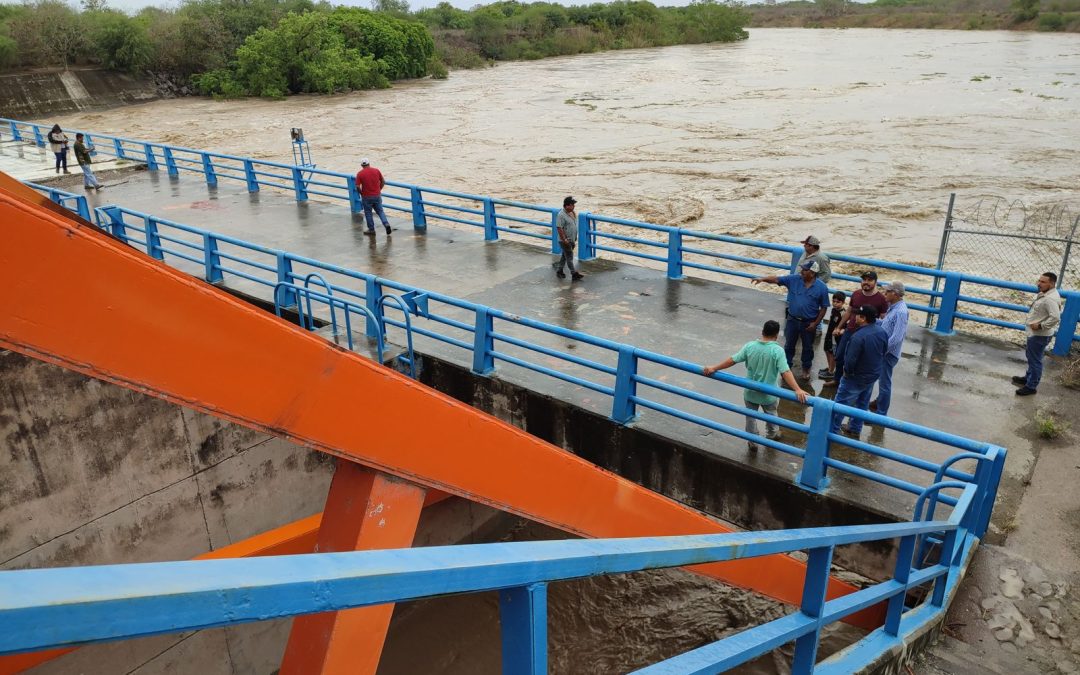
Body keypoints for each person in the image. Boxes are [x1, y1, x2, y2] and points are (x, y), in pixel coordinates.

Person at [703, 320, 808, 451]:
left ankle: (752, 441)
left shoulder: (750, 346)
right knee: (771, 415)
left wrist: (714, 367)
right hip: (769, 394)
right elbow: (785, 372)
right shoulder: (777, 351)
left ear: (762, 332)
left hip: (750, 392)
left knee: (751, 417)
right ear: (776, 335)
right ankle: (772, 434)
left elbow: (732, 360)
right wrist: (797, 389)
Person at [751, 260, 829, 379]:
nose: (801, 271)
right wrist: (762, 279)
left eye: (805, 270)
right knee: (789, 346)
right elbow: (777, 279)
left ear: (812, 273)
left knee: (808, 347)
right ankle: (786, 368)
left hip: (808, 323)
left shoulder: (822, 288)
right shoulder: (793, 279)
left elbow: (824, 308)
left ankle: (806, 369)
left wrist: (815, 323)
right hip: (792, 320)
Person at [831, 305, 888, 437]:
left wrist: (847, 372)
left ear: (863, 318)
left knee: (840, 406)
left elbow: (850, 360)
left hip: (855, 377)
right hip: (871, 376)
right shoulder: (882, 332)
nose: (854, 316)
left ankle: (832, 430)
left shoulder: (858, 336)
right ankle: (855, 428)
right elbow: (884, 351)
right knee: (862, 403)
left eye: (857, 315)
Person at [823, 270, 889, 386]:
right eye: (864, 280)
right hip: (850, 330)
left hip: (866, 335)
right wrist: (839, 327)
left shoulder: (881, 299)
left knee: (859, 360)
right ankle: (837, 380)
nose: (866, 282)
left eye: (869, 280)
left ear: (875, 282)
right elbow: (849, 311)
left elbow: (884, 320)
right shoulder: (856, 294)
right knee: (839, 355)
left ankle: (851, 383)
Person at [1014, 272, 1062, 396]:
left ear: (1051, 283)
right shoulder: (1047, 294)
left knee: (1035, 361)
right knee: (1032, 357)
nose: (1039, 284)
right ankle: (1028, 378)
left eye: (1043, 282)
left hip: (1039, 335)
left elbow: (1055, 317)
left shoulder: (1050, 298)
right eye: (1039, 281)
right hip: (1036, 334)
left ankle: (1031, 386)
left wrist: (1040, 326)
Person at [869, 282, 909, 415]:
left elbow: (897, 337)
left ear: (895, 294)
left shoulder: (901, 312)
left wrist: (882, 350)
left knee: (884, 384)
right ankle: (878, 403)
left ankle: (881, 413)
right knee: (882, 381)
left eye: (888, 292)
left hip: (888, 354)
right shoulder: (893, 307)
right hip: (885, 351)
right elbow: (887, 324)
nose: (885, 293)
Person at [355, 158, 391, 237]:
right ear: (369, 164)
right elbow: (383, 181)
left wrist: (361, 193)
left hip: (366, 197)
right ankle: (386, 224)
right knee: (380, 211)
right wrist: (379, 189)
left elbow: (357, 186)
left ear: (362, 165)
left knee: (368, 213)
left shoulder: (360, 174)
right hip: (377, 195)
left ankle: (371, 230)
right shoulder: (376, 171)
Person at [818, 291, 847, 381]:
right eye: (833, 301)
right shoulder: (834, 310)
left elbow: (845, 327)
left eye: (838, 302)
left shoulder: (844, 313)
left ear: (843, 302)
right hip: (829, 334)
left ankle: (831, 372)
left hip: (836, 338)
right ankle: (830, 367)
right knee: (826, 350)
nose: (835, 303)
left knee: (832, 353)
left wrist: (839, 331)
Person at [554, 196, 583, 281]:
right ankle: (574, 274)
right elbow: (559, 228)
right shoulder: (561, 215)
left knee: (565, 256)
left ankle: (559, 271)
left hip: (572, 239)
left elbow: (573, 226)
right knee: (569, 257)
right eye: (572, 205)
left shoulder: (572, 213)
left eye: (573, 205)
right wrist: (564, 240)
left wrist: (575, 237)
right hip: (565, 241)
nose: (573, 206)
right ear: (566, 206)